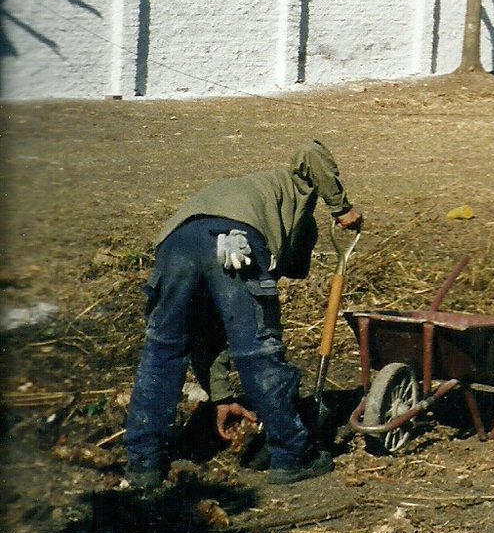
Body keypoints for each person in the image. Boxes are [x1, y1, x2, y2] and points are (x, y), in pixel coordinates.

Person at [123, 140, 364, 492]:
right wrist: (341, 208)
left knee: (163, 348)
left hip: (175, 241)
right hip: (233, 240)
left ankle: (143, 463)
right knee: (258, 349)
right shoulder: (296, 187)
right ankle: (293, 454)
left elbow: (209, 334)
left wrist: (221, 397)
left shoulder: (257, 191)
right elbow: (310, 151)